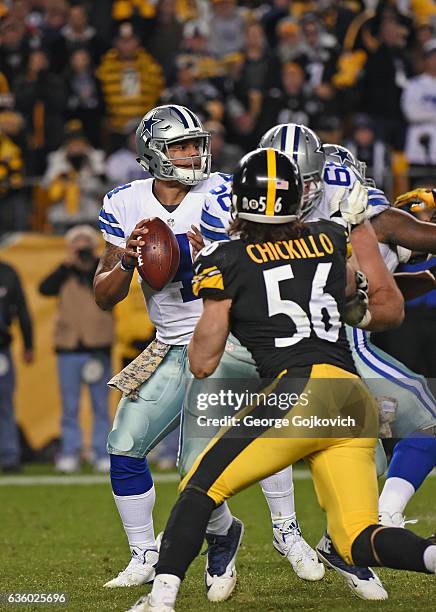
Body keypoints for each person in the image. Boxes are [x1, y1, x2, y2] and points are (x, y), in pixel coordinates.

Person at [131, 148, 435, 612]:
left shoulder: (225, 255)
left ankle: (161, 598)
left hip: (299, 391)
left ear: (238, 203)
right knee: (356, 537)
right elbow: (387, 311)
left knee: (199, 485)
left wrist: (224, 297)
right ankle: (431, 555)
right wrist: (362, 236)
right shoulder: (333, 237)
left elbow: (203, 362)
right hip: (351, 400)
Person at [94, 104, 322, 597]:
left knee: (198, 466)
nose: (194, 153)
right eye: (181, 146)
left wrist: (215, 258)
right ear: (153, 151)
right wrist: (128, 262)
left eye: (197, 144)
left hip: (227, 339)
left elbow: (262, 266)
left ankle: (285, 529)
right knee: (124, 447)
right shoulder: (124, 202)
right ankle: (150, 552)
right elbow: (104, 294)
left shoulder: (222, 194)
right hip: (170, 343)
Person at [39, 225, 114, 473]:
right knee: (69, 406)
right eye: (77, 244)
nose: (82, 249)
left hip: (98, 346)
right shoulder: (65, 272)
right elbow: (45, 288)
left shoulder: (102, 269)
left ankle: (101, 452)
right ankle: (70, 451)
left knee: (100, 405)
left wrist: (93, 261)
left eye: (86, 244)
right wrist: (67, 263)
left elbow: (111, 288)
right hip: (68, 348)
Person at [0, 258, 33, 472]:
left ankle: (9, 456)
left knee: (4, 403)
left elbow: (21, 309)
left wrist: (28, 344)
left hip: (1, 347)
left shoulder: (7, 272)